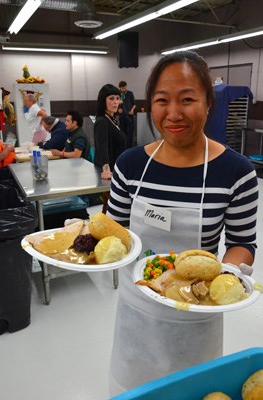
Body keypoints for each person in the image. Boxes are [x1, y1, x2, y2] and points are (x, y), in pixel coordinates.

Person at [107, 51, 258, 395]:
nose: (173, 113)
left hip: (196, 313)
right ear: (150, 105)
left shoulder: (237, 172)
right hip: (137, 313)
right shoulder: (129, 165)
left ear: (208, 103)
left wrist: (229, 275)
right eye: (162, 100)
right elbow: (115, 230)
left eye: (187, 99)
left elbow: (242, 243)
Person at [94, 84, 127, 213]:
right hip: (111, 173)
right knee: (111, 208)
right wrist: (106, 169)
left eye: (117, 98)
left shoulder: (112, 119)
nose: (115, 102)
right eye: (111, 98)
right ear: (103, 101)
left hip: (117, 171)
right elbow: (102, 146)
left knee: (109, 207)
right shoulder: (102, 121)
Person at [118, 80, 136, 148]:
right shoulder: (118, 95)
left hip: (130, 116)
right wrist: (118, 109)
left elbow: (134, 104)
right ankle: (123, 147)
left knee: (130, 134)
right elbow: (116, 107)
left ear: (126, 86)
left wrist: (132, 110)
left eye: (124, 87)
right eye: (122, 88)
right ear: (119, 88)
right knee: (122, 133)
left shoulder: (130, 93)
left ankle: (130, 148)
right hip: (122, 117)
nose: (123, 89)